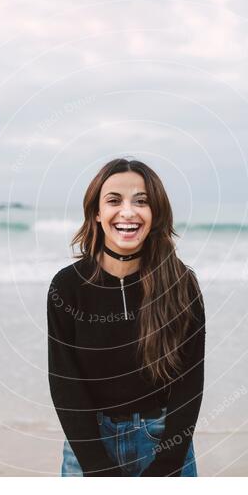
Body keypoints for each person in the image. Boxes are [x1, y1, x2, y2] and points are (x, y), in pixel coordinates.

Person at [47, 157, 206, 477]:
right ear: (96, 212)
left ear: (155, 213)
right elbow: (65, 382)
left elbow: (190, 381)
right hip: (90, 443)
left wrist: (169, 461)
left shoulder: (180, 282)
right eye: (114, 200)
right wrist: (95, 464)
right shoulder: (67, 286)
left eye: (142, 201)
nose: (128, 211)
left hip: (163, 441)